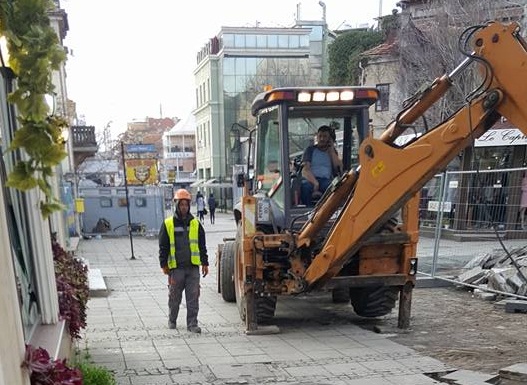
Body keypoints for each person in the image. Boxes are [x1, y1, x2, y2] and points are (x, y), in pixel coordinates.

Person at [159, 188, 209, 333]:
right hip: (176, 268)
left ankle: (192, 324)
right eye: (181, 205)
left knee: (193, 297)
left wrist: (205, 263)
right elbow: (163, 246)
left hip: (192, 268)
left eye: (186, 205)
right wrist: (163, 265)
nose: (184, 207)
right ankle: (172, 319)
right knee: (174, 297)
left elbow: (202, 245)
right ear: (177, 205)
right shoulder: (168, 224)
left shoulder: (196, 223)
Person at [300, 125, 343, 206]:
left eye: (325, 136)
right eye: (320, 136)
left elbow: (338, 169)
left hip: (326, 180)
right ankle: (309, 211)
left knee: (333, 187)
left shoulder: (332, 152)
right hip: (311, 180)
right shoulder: (310, 150)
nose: (322, 139)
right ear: (317, 137)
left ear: (329, 139)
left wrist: (332, 151)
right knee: (305, 188)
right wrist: (315, 183)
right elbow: (305, 170)